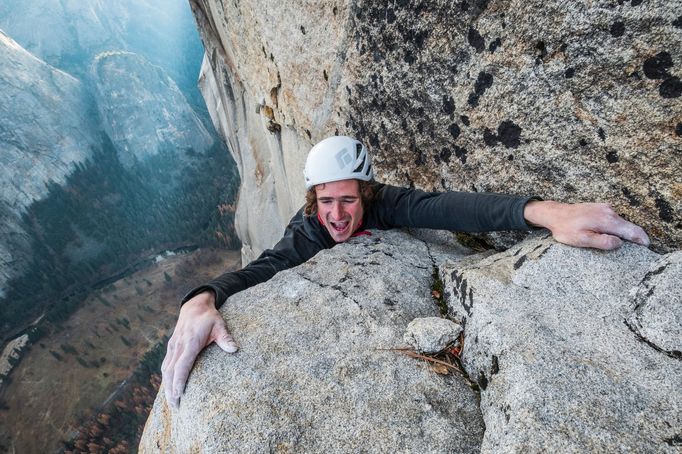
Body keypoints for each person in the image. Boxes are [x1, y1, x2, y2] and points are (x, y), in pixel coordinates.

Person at [161, 135, 649, 407]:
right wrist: (200, 298)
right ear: (313, 201)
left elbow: (451, 209)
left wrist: (547, 213)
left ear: (367, 195)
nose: (335, 215)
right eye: (325, 201)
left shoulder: (386, 204)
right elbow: (263, 268)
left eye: (347, 200)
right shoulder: (309, 231)